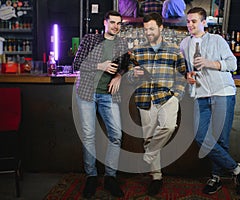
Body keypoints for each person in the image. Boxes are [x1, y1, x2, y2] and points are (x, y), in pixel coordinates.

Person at [179, 7, 240, 195]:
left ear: (204, 23)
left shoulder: (217, 40)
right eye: (188, 21)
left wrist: (211, 63)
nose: (190, 25)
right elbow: (185, 70)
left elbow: (232, 63)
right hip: (200, 95)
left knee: (221, 139)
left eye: (194, 21)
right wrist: (188, 76)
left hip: (222, 93)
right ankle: (237, 169)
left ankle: (216, 178)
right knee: (201, 136)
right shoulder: (185, 44)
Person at [127, 12, 186, 196]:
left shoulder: (174, 50)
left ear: (161, 28)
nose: (148, 32)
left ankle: (149, 154)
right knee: (149, 137)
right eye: (146, 29)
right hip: (145, 98)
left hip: (167, 97)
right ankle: (156, 177)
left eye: (152, 28)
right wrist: (132, 75)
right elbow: (129, 78)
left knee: (168, 127)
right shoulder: (137, 51)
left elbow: (182, 75)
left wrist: (176, 95)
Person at [73, 10, 129, 198]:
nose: (115, 26)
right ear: (105, 23)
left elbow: (126, 64)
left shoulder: (122, 43)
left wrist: (120, 75)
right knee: (89, 136)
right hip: (87, 93)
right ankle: (91, 177)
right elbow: (77, 63)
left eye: (118, 23)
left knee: (116, 135)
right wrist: (100, 65)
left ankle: (110, 178)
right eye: (112, 22)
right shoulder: (90, 39)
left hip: (109, 95)